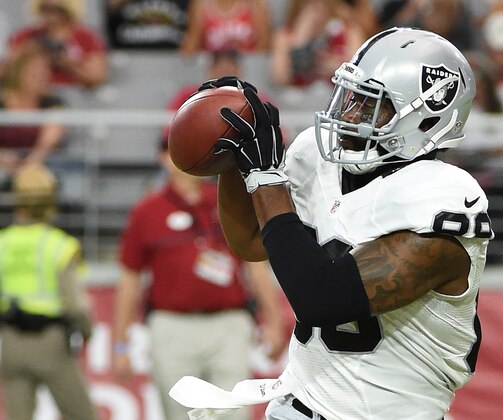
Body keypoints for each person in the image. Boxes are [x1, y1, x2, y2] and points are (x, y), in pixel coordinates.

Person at [170, 27, 494, 419]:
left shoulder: (441, 198)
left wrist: (264, 177)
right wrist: (238, 148)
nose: (350, 112)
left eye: (373, 103)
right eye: (353, 94)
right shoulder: (321, 156)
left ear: (426, 119)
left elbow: (324, 300)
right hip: (297, 405)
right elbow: (253, 242)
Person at [112, 139, 287, 420]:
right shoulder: (146, 211)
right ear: (162, 158)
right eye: (174, 151)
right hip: (170, 327)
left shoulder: (227, 203)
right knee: (179, 415)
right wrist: (119, 344)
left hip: (228, 324)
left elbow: (255, 266)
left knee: (234, 413)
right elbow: (129, 280)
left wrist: (275, 323)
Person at [0, 163, 96, 420]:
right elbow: (75, 304)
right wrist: (87, 332)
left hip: (10, 341)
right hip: (50, 343)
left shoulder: (3, 242)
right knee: (81, 414)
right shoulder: (60, 246)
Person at [0, 44, 66, 187]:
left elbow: (50, 139)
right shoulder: (2, 101)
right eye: (35, 71)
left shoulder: (52, 103)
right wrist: (2, 157)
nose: (42, 76)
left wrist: (31, 163)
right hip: (3, 165)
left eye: (45, 71)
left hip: (37, 165)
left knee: (34, 183)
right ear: (19, 73)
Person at [4, 0, 108, 88]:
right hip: (33, 97)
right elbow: (6, 69)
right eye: (46, 9)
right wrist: (30, 53)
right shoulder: (28, 36)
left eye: (57, 10)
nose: (51, 16)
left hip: (75, 94)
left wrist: (68, 63)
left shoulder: (86, 37)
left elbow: (97, 76)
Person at [269, 0, 367, 88]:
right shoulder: (284, 36)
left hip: (336, 97)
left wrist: (335, 67)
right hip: (299, 100)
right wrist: (301, 38)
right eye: (312, 4)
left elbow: (358, 74)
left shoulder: (350, 30)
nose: (317, 9)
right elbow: (281, 79)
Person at [179, 0, 273, 55]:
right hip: (213, 73)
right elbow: (190, 49)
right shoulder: (201, 5)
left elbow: (264, 48)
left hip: (247, 72)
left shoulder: (255, 4)